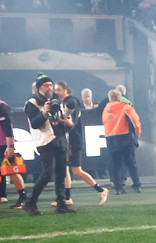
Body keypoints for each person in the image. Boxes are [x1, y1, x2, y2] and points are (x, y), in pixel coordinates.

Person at [23, 74, 75, 216]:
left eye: (51, 85)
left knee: (61, 173)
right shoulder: (32, 103)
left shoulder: (56, 101)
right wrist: (44, 112)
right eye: (46, 85)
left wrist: (68, 122)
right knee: (47, 173)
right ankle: (30, 202)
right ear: (39, 87)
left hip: (60, 139)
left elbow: (64, 119)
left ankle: (61, 204)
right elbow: (35, 124)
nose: (49, 88)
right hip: (45, 141)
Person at [53, 82, 109, 206]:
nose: (56, 92)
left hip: (74, 141)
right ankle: (66, 197)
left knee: (77, 171)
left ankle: (101, 190)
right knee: (65, 169)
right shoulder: (65, 102)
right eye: (55, 90)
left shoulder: (71, 101)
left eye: (59, 89)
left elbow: (72, 123)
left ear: (66, 90)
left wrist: (66, 122)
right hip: (69, 140)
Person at [101, 89, 142, 194]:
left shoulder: (106, 110)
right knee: (131, 163)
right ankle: (137, 185)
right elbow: (135, 122)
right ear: (120, 97)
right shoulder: (126, 107)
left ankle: (119, 187)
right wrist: (137, 134)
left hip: (111, 140)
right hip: (126, 137)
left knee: (116, 165)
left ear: (110, 98)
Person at [0, 97, 28, 209]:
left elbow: (7, 127)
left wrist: (10, 146)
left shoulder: (1, 106)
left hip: (3, 144)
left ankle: (24, 197)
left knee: (12, 171)